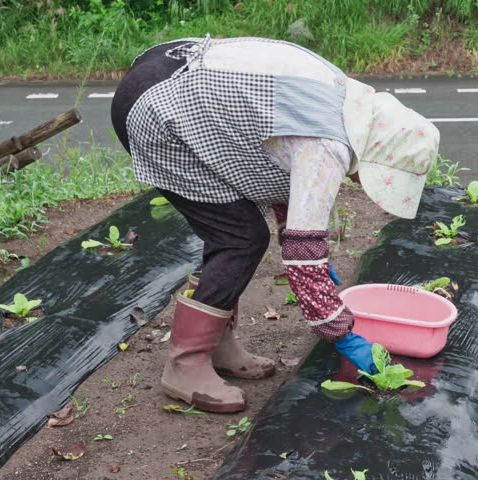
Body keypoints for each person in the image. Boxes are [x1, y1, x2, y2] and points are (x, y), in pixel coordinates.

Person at [110, 35, 440, 413]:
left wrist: (305, 248)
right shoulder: (326, 145)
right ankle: (184, 366)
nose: (358, 183)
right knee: (239, 238)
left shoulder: (349, 107)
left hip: (170, 68)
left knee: (238, 234)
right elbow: (302, 258)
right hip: (158, 105)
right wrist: (344, 336)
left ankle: (218, 344)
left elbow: (287, 182)